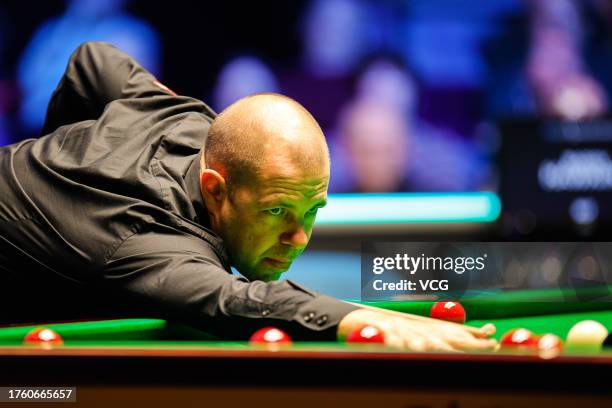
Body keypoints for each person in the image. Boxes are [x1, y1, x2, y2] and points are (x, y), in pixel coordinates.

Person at [0, 42, 497, 352]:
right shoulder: (151, 246)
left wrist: (61, 170)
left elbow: (92, 60)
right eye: (277, 211)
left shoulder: (178, 116)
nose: (298, 238)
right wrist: (355, 317)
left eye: (311, 211)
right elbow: (238, 300)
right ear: (216, 189)